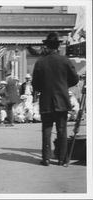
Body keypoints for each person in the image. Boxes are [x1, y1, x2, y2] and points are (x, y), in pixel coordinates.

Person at [32, 32, 79, 167]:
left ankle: (46, 159)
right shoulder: (65, 60)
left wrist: (45, 89)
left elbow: (35, 84)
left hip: (46, 101)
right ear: (57, 47)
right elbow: (75, 79)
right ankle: (62, 159)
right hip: (62, 100)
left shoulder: (40, 62)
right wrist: (64, 86)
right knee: (62, 129)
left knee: (46, 130)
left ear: (47, 46)